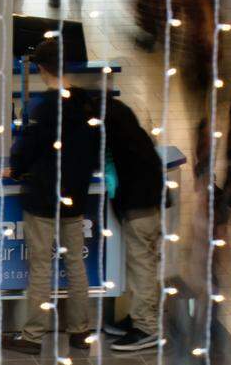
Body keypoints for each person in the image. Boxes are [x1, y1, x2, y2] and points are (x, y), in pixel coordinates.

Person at [2, 39, 99, 355]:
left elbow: (29, 148)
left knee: (41, 266)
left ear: (41, 68)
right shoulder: (85, 102)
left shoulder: (47, 108)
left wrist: (14, 169)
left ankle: (32, 336)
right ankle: (80, 331)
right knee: (76, 264)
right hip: (75, 197)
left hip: (44, 197)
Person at [102, 96, 164, 351]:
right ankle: (140, 318)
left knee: (142, 267)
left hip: (139, 211)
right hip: (147, 207)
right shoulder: (137, 140)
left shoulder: (122, 148)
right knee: (142, 266)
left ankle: (147, 327)